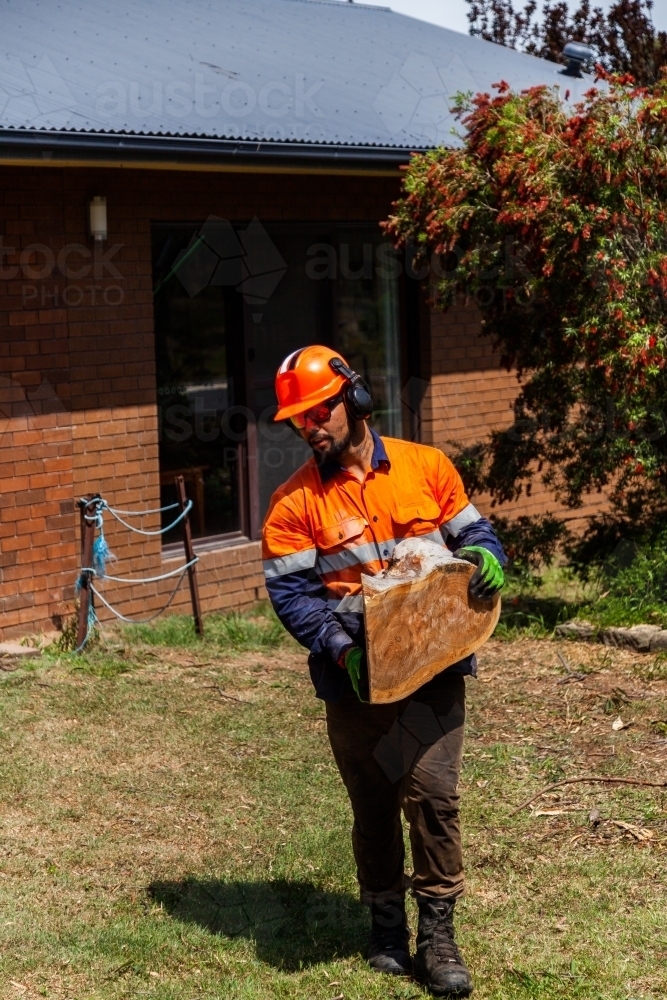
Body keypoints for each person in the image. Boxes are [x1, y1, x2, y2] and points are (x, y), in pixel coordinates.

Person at [262, 346, 506, 998]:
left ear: (355, 398)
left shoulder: (427, 468)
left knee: (432, 798)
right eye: (298, 419)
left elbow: (473, 533)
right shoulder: (292, 507)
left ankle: (438, 935)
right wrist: (342, 648)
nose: (309, 426)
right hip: (354, 680)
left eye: (319, 410)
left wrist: (487, 556)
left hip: (434, 667)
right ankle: (384, 927)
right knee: (373, 806)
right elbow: (293, 599)